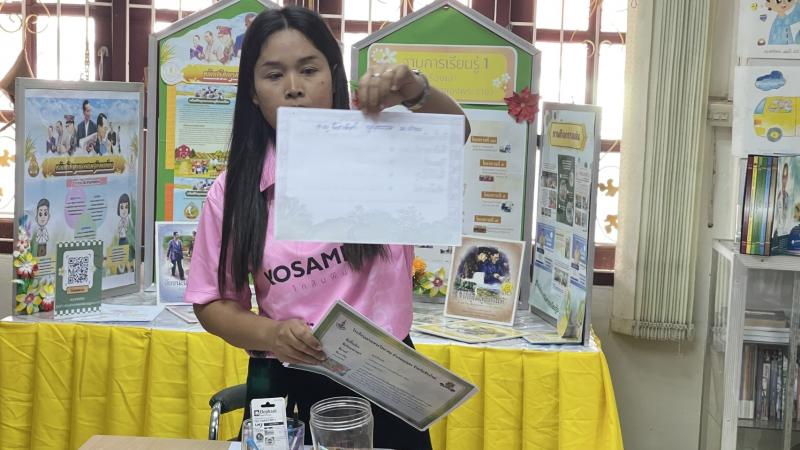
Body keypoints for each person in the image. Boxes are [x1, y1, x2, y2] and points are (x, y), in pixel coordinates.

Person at [185, 7, 469, 450]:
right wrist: (271, 334)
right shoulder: (234, 190)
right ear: (253, 93)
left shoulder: (380, 155)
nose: (293, 87)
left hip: (387, 382)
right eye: (273, 74)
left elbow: (454, 134)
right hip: (287, 382)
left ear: (334, 77)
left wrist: (415, 89)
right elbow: (212, 301)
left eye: (309, 69)